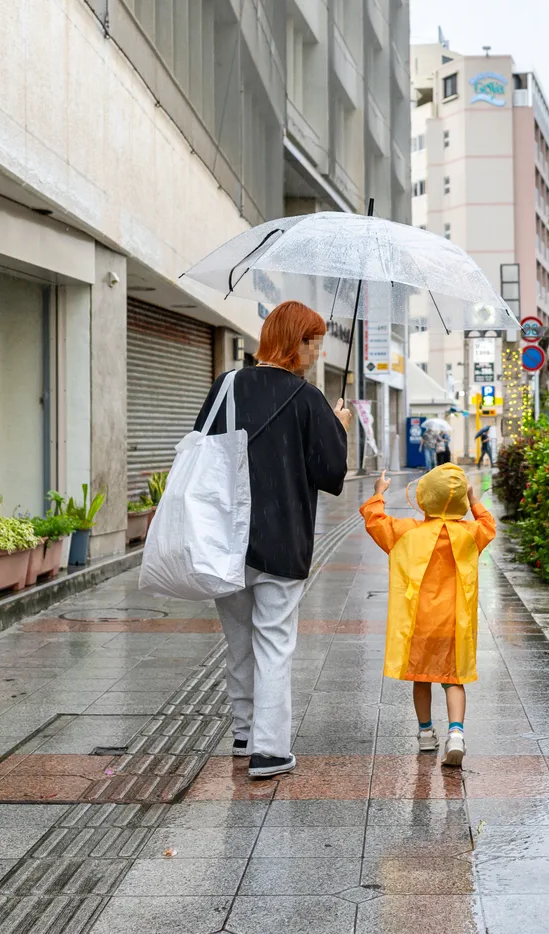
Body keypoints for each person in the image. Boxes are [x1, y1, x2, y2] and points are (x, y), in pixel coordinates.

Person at [194, 300, 353, 779]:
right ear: (296, 342)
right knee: (274, 643)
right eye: (313, 343)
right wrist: (339, 428)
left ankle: (244, 733)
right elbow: (332, 474)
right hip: (282, 541)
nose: (316, 353)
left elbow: (201, 447)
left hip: (225, 539)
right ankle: (269, 750)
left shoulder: (226, 386)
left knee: (239, 641)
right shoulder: (307, 400)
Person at [360, 463, 495, 766]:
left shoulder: (405, 532)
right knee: (453, 678)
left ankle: (425, 734)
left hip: (418, 622)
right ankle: (456, 733)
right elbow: (489, 525)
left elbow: (375, 520)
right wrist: (473, 500)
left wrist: (379, 493)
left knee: (421, 678)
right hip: (455, 622)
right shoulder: (469, 534)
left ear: (423, 498)